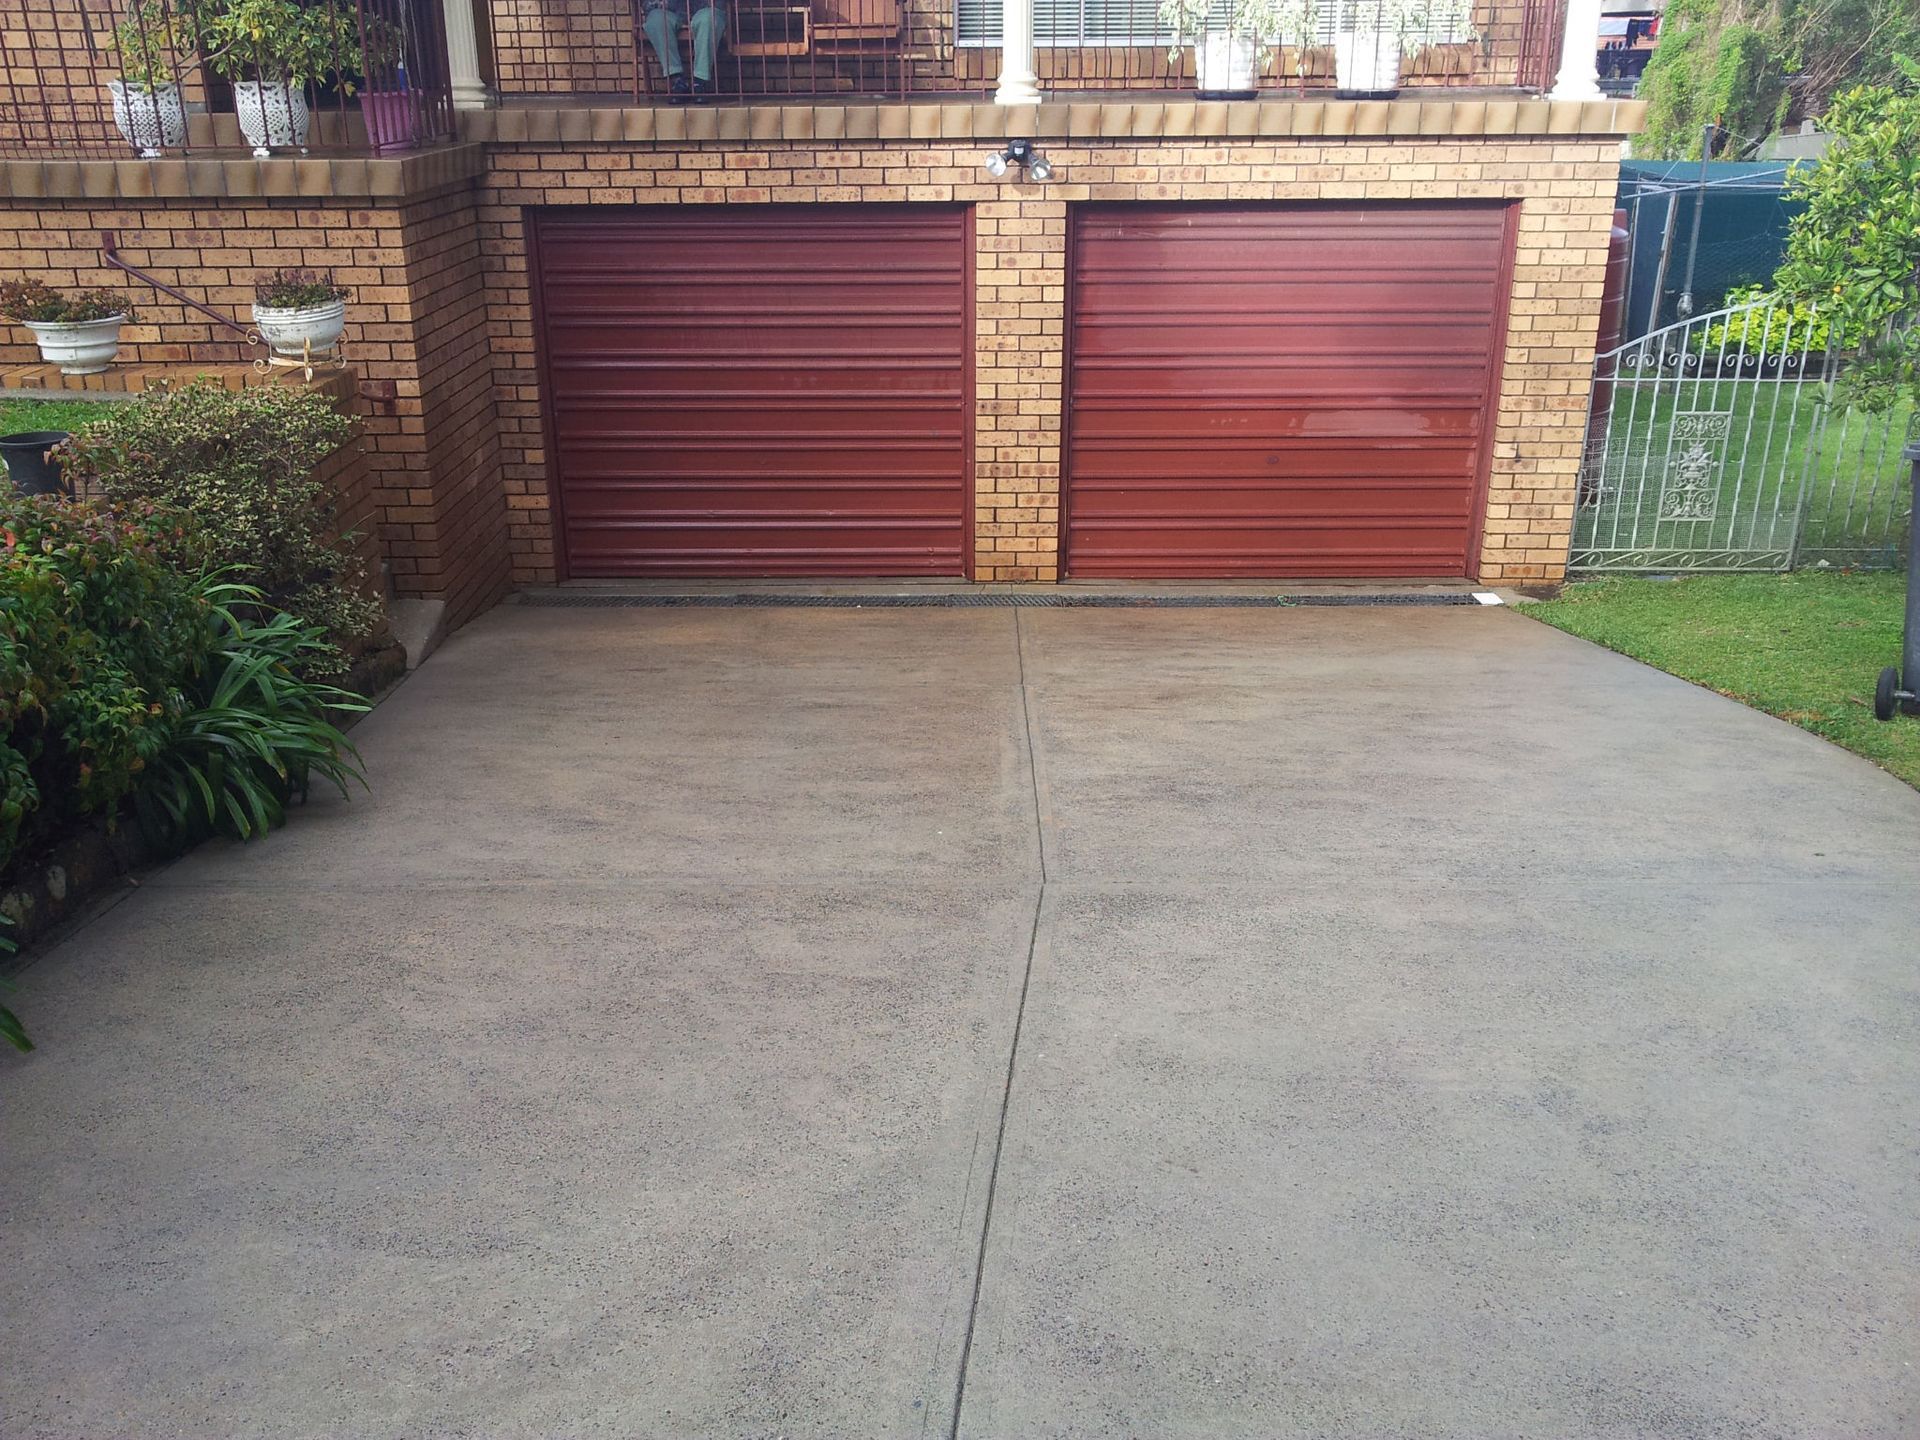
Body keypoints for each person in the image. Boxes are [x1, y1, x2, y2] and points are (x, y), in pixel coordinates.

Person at [642, 0, 727, 102]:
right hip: (668, 10)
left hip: (705, 9)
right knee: (656, 20)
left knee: (710, 18)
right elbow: (648, 5)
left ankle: (700, 82)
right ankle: (677, 81)